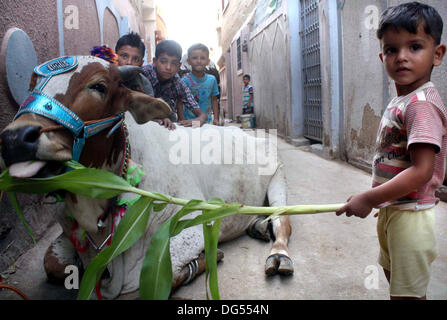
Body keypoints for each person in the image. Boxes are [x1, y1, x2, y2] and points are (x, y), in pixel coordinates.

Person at [335, 2, 446, 300]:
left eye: (415, 47)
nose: (402, 58)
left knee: (407, 294)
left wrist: (370, 198)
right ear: (382, 56)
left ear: (437, 54)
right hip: (395, 209)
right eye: (393, 50)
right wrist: (382, 200)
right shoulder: (403, 99)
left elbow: (422, 171)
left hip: (411, 217)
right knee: (394, 277)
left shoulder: (420, 104)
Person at [142, 40, 206, 130]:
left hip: (168, 124)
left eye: (174, 63)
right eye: (163, 61)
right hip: (143, 120)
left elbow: (202, 115)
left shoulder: (178, 83)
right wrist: (157, 117)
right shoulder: (143, 74)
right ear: (155, 61)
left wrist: (196, 122)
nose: (168, 67)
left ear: (179, 66)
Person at [179, 43, 220, 125]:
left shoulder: (212, 80)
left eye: (203, 58)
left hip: (207, 122)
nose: (199, 61)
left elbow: (214, 100)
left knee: (206, 137)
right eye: (194, 58)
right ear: (188, 61)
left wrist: (216, 119)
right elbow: (179, 102)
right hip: (190, 122)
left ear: (208, 61)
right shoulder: (184, 81)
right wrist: (182, 120)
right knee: (192, 137)